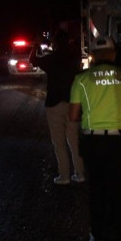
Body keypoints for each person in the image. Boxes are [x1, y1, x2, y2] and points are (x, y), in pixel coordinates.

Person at [69, 37, 121, 241]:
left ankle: (95, 234)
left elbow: (73, 116)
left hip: (93, 143)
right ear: (114, 54)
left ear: (93, 56)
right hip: (119, 143)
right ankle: (114, 237)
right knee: (117, 192)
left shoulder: (82, 79)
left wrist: (92, 114)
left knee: (96, 190)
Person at [30, 29, 85, 185]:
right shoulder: (74, 58)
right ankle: (80, 174)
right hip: (72, 103)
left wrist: (36, 45)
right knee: (74, 141)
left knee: (59, 142)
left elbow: (33, 59)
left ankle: (64, 176)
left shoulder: (50, 59)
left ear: (54, 43)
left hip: (54, 104)